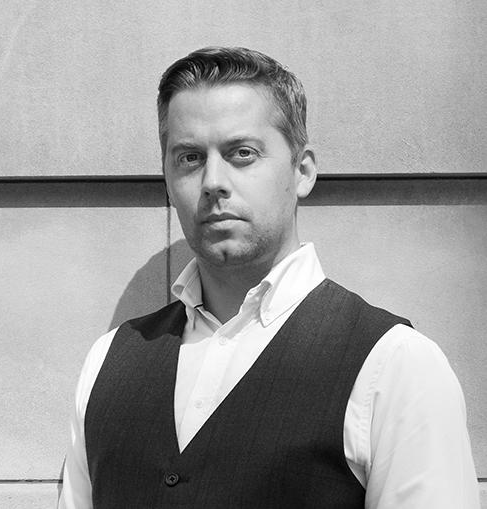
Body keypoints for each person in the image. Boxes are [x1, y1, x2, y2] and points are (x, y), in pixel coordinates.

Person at [59, 47, 480, 508]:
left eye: (242, 154)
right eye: (189, 158)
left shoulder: (395, 365)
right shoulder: (108, 363)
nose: (213, 182)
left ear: (302, 171)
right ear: (167, 179)